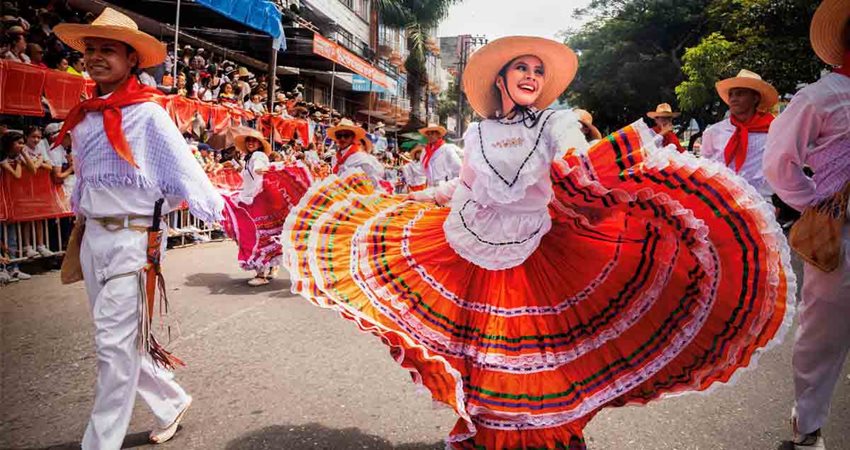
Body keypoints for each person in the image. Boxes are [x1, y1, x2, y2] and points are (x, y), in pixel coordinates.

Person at [280, 36, 795, 449]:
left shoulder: (557, 122)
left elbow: (575, 160)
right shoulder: (477, 133)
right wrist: (416, 198)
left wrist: (590, 167)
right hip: (470, 248)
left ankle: (543, 437)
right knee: (480, 359)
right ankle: (486, 434)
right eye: (521, 68)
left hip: (541, 250)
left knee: (538, 360)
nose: (530, 76)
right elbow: (465, 186)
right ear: (500, 78)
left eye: (537, 70)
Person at [52, 8, 224, 449]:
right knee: (118, 339)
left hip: (134, 240)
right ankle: (171, 400)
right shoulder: (85, 116)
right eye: (90, 49)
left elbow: (186, 174)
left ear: (132, 60)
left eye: (107, 50)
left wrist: (225, 216)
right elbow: (86, 178)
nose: (95, 57)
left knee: (112, 345)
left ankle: (99, 443)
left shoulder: (149, 117)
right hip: (92, 239)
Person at [763, 1, 850, 448]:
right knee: (824, 334)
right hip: (841, 235)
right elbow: (779, 163)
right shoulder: (821, 96)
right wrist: (817, 206)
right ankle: (809, 429)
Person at [221, 128, 311, 286]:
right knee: (266, 234)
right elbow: (250, 175)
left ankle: (261, 274)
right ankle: (270, 267)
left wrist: (261, 169)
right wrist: (238, 168)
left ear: (259, 144)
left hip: (257, 200)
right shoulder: (249, 158)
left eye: (254, 141)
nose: (250, 143)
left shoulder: (258, 156)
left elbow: (259, 167)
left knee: (254, 235)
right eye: (248, 140)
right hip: (252, 199)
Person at [700, 70, 779, 199]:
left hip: (758, 201)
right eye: (731, 94)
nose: (733, 98)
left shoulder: (774, 131)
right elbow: (704, 165)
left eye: (740, 93)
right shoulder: (714, 132)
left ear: (755, 98)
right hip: (717, 199)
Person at [326, 118, 384, 186]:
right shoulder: (334, 158)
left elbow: (373, 180)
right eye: (339, 136)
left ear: (352, 137)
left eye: (346, 135)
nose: (342, 139)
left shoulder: (360, 157)